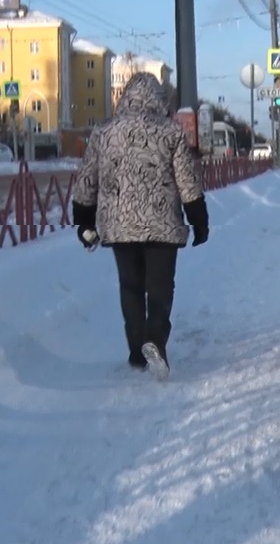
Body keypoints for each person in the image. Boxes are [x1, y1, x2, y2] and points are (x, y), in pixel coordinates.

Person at [70, 72, 209, 381]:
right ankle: (155, 340)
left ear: (126, 97)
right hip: (162, 224)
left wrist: (83, 219)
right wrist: (199, 220)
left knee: (130, 286)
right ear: (158, 99)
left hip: (119, 225)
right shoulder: (170, 131)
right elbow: (187, 182)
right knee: (160, 287)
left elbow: (87, 179)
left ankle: (136, 351)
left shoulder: (104, 131)